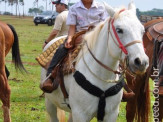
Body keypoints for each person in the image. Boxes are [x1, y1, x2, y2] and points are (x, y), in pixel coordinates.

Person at [41, 0, 108, 93]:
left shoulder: (101, 8)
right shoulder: (74, 8)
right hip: (78, 37)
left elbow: (104, 27)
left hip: (97, 38)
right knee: (62, 49)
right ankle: (50, 76)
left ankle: (121, 83)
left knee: (113, 52)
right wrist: (69, 39)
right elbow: (72, 28)